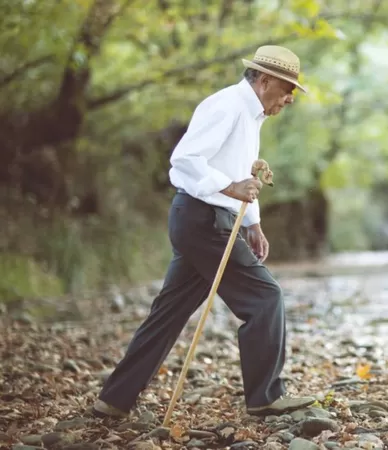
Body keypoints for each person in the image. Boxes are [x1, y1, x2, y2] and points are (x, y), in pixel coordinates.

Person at [92, 45, 315, 418]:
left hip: (205, 220)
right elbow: (185, 159)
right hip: (203, 221)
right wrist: (231, 188)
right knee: (265, 298)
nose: (290, 98)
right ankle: (265, 397)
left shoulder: (250, 114)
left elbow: (241, 176)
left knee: (168, 314)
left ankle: (113, 400)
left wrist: (253, 224)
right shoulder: (227, 105)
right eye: (287, 88)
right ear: (264, 81)